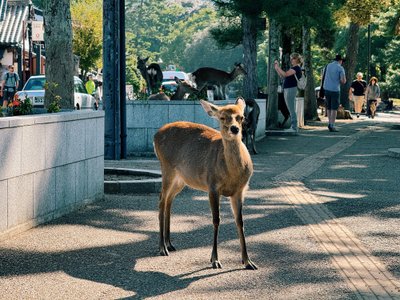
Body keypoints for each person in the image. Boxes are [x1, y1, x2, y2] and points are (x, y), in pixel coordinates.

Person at [274, 52, 303, 133]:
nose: (291, 60)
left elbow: (285, 74)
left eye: (293, 58)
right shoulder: (293, 68)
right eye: (291, 58)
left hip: (291, 89)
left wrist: (277, 67)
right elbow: (282, 75)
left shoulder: (296, 68)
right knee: (290, 108)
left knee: (291, 108)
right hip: (288, 89)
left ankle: (294, 127)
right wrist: (277, 69)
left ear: (297, 59)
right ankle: (293, 126)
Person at [322, 54, 346, 132]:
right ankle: (332, 124)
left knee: (328, 107)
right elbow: (343, 81)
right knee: (334, 108)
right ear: (340, 61)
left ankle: (329, 122)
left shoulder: (328, 66)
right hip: (335, 89)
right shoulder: (340, 68)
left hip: (327, 89)